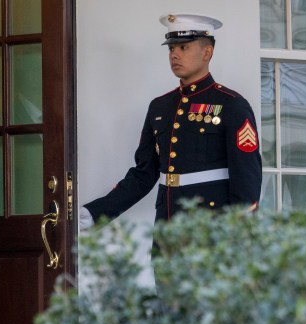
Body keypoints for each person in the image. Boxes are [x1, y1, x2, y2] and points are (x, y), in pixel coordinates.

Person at [79, 13, 261, 229]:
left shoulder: (231, 105)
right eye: (171, 48)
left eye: (183, 47)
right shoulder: (160, 107)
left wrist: (241, 233)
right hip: (167, 225)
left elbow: (246, 178)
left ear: (207, 52)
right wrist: (95, 213)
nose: (174, 54)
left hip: (211, 230)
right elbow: (144, 175)